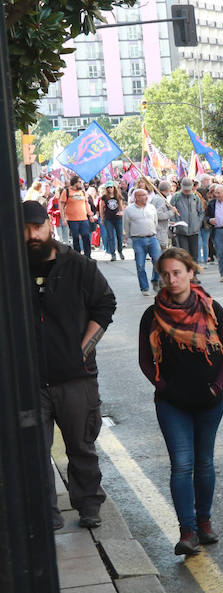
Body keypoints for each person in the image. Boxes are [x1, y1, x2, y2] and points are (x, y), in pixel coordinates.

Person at [24, 200, 117, 531]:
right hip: (30, 381)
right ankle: (47, 513)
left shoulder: (78, 266)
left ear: (49, 225)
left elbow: (104, 306)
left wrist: (82, 350)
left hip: (76, 378)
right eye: (25, 228)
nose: (31, 234)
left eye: (37, 227)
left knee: (81, 446)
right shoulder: (12, 268)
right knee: (35, 452)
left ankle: (89, 505)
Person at [138, 248, 223, 557]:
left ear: (191, 272)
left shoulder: (211, 308)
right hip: (172, 404)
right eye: (165, 273)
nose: (171, 278)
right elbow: (145, 359)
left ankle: (204, 523)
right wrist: (163, 386)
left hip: (209, 401)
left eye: (177, 272)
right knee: (182, 464)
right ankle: (187, 531)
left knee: (204, 461)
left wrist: (216, 386)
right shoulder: (152, 315)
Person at [124, 187, 162, 295]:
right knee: (140, 265)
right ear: (136, 197)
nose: (145, 197)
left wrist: (153, 231)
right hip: (138, 239)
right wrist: (129, 236)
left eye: (146, 195)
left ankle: (155, 280)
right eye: (142, 195)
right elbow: (126, 225)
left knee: (157, 261)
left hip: (152, 237)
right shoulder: (129, 210)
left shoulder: (151, 207)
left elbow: (155, 222)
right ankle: (144, 288)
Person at [169, 178, 206, 258]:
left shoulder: (196, 197)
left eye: (188, 189)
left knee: (194, 254)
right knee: (184, 254)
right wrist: (175, 223)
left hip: (194, 230)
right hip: (181, 230)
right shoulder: (176, 197)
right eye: (185, 189)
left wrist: (197, 224)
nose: (186, 191)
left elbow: (201, 212)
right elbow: (171, 211)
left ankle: (195, 270)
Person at [60, 178, 94, 258]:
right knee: (75, 238)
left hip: (83, 219)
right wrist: (63, 218)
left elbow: (86, 204)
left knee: (86, 236)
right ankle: (77, 256)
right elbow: (61, 206)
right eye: (79, 182)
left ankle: (88, 255)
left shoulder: (82, 192)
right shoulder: (66, 192)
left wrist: (90, 215)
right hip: (72, 219)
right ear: (75, 183)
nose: (81, 184)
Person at [98, 182, 125, 260]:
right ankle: (113, 253)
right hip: (108, 218)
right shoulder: (104, 197)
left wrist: (122, 212)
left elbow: (120, 205)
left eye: (111, 187)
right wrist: (102, 218)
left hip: (117, 218)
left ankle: (120, 251)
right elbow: (101, 207)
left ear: (114, 188)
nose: (110, 189)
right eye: (108, 187)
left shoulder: (118, 196)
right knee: (110, 236)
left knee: (119, 236)